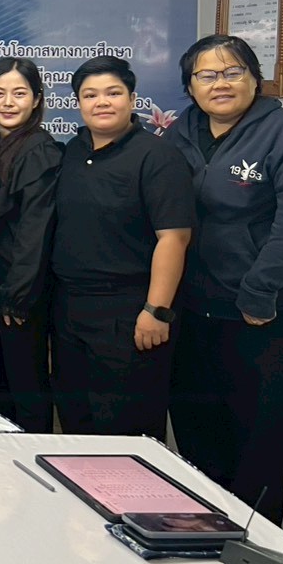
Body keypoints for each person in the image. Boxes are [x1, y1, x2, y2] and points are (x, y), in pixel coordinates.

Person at [165, 34, 283, 524]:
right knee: (196, 428)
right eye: (207, 75)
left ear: (255, 79)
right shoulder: (179, 133)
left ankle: (256, 539)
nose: (221, 83)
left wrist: (258, 293)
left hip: (261, 313)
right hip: (193, 309)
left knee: (257, 439)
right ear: (190, 86)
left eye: (233, 72)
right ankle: (203, 531)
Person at [49, 55, 194, 441]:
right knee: (76, 426)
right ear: (78, 103)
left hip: (130, 314)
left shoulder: (157, 156)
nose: (102, 102)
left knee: (126, 434)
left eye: (113, 93)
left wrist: (156, 310)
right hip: (70, 312)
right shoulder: (73, 151)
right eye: (90, 95)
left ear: (132, 99)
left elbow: (174, 238)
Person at [0, 57, 61, 433]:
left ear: (37, 99)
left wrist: (18, 295)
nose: (8, 103)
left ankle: (32, 454)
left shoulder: (38, 149)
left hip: (19, 291)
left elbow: (34, 231)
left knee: (26, 387)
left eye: (19, 93)